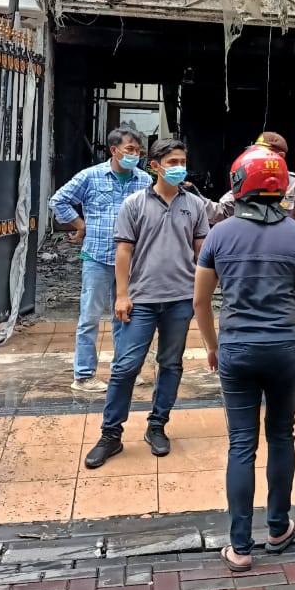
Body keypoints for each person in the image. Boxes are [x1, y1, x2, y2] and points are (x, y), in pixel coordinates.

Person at [193, 145, 295, 573]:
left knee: (241, 445)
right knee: (282, 437)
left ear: (238, 185)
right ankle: (279, 527)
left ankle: (240, 546)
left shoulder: (219, 234)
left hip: (237, 349)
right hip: (286, 348)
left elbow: (200, 302)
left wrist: (213, 345)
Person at [84, 138, 209, 468]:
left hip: (180, 300)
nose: (179, 167)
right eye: (172, 162)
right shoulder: (135, 204)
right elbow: (123, 251)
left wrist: (202, 293)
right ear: (155, 166)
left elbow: (202, 252)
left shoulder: (194, 206)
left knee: (171, 364)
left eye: (182, 160)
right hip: (141, 300)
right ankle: (111, 434)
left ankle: (157, 426)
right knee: (125, 366)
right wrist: (122, 295)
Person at [50, 127, 151, 392]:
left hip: (132, 260)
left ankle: (125, 369)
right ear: (114, 150)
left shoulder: (143, 180)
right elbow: (58, 200)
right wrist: (80, 224)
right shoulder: (91, 176)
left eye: (138, 151)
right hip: (98, 257)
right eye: (130, 150)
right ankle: (84, 375)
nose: (135, 156)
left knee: (127, 316)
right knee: (90, 317)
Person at [200, 132, 295, 239]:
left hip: (283, 250)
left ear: (280, 156)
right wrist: (197, 200)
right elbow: (222, 212)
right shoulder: (246, 178)